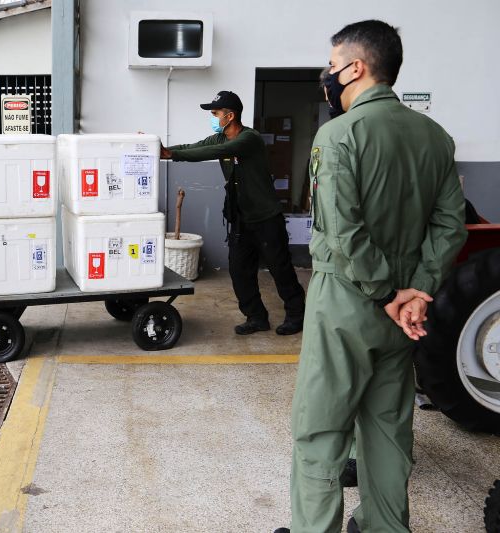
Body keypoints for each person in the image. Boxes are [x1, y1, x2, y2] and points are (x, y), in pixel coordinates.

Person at [276, 20, 467, 533]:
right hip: (405, 314)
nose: (328, 75)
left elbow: (342, 231)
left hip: (347, 302)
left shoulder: (338, 135)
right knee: (386, 429)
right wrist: (418, 291)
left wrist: (386, 293)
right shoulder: (435, 137)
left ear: (355, 68)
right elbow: (451, 224)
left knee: (321, 431)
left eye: (332, 65)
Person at [161, 91, 306, 335]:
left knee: (279, 268)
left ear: (230, 116)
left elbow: (212, 153)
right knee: (239, 270)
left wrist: (172, 154)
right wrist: (161, 150)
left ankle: (296, 315)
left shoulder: (249, 138)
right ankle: (256, 317)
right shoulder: (219, 138)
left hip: (266, 219)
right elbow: (193, 147)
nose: (213, 118)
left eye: (216, 114)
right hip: (241, 219)